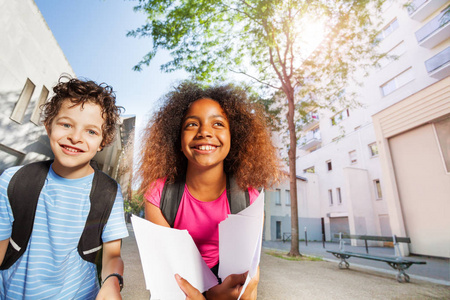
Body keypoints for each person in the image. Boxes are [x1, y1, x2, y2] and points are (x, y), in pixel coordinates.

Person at [137, 82, 280, 299]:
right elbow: (167, 280)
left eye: (218, 124)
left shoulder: (249, 199)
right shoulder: (158, 195)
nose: (205, 132)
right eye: (192, 124)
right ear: (177, 137)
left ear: (235, 136)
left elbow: (248, 281)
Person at [0, 75, 129, 299]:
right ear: (48, 126)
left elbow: (112, 255)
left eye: (91, 131)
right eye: (66, 124)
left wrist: (111, 283)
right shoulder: (13, 180)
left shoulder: (109, 192)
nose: (75, 137)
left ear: (103, 141)